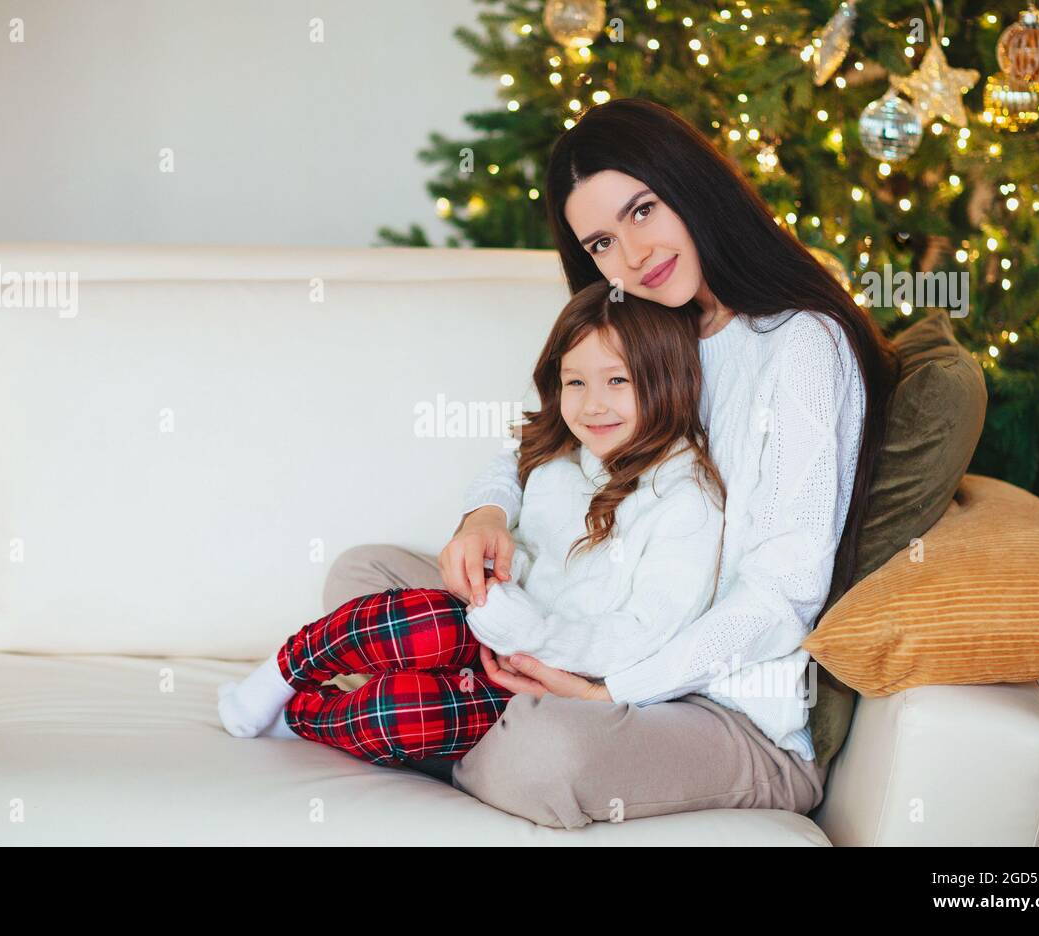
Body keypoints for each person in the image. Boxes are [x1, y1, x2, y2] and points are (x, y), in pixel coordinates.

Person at [324, 98, 900, 829]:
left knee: (543, 754)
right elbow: (539, 439)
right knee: (363, 579)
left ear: (694, 186)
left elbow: (782, 595)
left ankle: (435, 719)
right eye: (599, 241)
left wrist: (609, 691)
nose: (632, 256)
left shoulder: (801, 346)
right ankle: (463, 708)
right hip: (578, 629)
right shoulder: (654, 322)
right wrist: (487, 515)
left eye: (643, 210)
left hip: (713, 709)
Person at [217, 282, 725, 769]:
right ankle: (282, 673)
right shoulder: (564, 454)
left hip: (552, 680)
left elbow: (645, 634)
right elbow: (509, 467)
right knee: (414, 616)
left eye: (617, 380)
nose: (592, 404)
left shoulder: (687, 502)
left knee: (401, 712)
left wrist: (540, 636)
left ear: (667, 379)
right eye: (576, 382)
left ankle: (301, 716)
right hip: (484, 627)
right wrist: (487, 539)